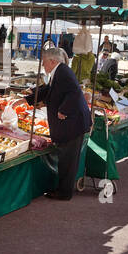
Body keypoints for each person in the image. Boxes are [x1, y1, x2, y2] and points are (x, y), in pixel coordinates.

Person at [23, 47, 93, 201]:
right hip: (72, 124)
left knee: (68, 160)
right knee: (66, 160)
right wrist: (27, 99)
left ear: (52, 61)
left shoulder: (62, 72)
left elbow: (75, 92)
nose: (43, 65)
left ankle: (64, 193)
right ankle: (63, 190)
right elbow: (49, 90)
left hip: (72, 124)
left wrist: (64, 110)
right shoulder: (59, 71)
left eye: (44, 62)